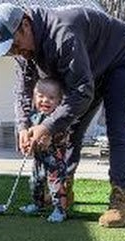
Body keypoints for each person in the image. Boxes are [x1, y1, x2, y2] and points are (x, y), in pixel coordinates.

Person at [0, 3, 125, 227]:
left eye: (15, 45)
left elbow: (82, 92)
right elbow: (23, 91)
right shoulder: (23, 51)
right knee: (71, 128)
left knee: (117, 128)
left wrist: (47, 126)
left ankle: (120, 199)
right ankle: (63, 187)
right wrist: (22, 126)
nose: (15, 52)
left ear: (25, 25)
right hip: (87, 67)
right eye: (9, 50)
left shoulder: (62, 34)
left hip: (120, 60)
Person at [19, 78, 71, 223]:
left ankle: (60, 210)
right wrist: (28, 143)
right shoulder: (34, 116)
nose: (45, 100)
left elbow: (63, 136)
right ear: (35, 98)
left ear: (59, 101)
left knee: (56, 185)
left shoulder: (59, 119)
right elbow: (29, 133)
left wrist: (51, 137)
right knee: (35, 182)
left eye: (51, 97)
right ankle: (37, 204)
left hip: (55, 160)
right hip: (38, 159)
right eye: (41, 96)